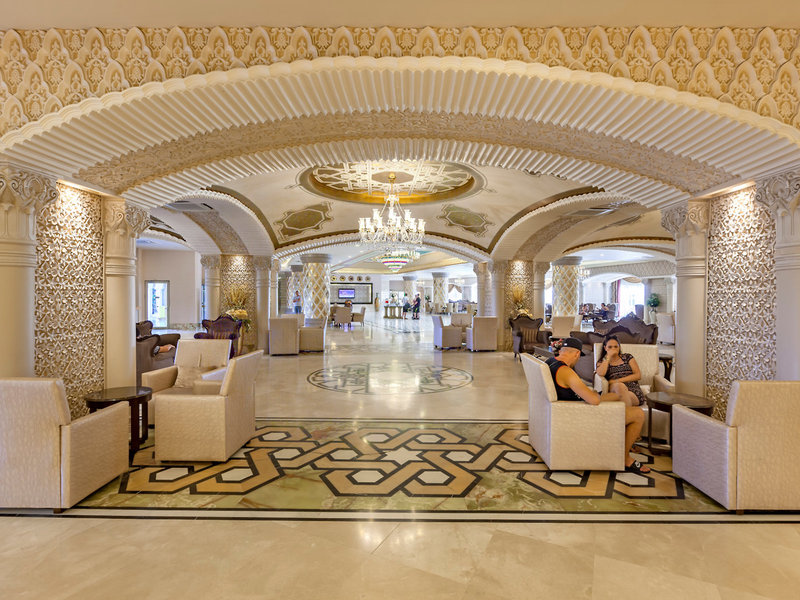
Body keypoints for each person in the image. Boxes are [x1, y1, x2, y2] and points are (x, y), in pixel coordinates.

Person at [546, 337, 650, 474]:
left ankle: (621, 433)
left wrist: (592, 392)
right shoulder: (566, 371)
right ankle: (625, 457)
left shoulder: (550, 362)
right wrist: (594, 393)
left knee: (618, 396)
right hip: (582, 413)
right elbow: (594, 401)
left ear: (561, 351)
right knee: (638, 414)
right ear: (577, 354)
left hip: (573, 406)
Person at [595, 335, 645, 407]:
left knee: (621, 394)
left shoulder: (627, 357)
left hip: (633, 390)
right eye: (610, 347)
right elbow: (600, 373)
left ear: (619, 347)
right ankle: (630, 413)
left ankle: (592, 398)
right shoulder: (602, 362)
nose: (613, 349)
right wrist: (608, 358)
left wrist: (617, 381)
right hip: (615, 388)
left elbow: (638, 375)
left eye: (616, 346)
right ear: (605, 348)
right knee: (620, 386)